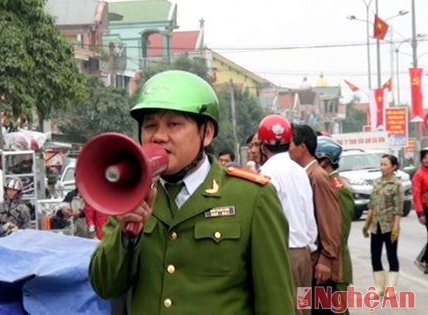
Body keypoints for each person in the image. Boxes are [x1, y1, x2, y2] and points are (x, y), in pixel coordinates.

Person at [89, 70, 294, 314]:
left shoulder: (252, 197)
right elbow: (105, 286)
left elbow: (276, 302)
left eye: (174, 125)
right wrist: (127, 236)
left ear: (206, 133)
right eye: (150, 125)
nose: (158, 136)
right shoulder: (131, 197)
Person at [258, 115, 317, 315]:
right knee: (304, 308)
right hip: (304, 254)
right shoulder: (300, 171)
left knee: (288, 309)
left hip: (283, 255)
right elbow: (309, 214)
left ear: (262, 145)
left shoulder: (266, 173)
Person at [289, 124, 342, 315]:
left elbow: (330, 220)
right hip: (310, 265)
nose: (287, 149)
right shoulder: (304, 174)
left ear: (302, 147)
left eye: (290, 144)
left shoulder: (318, 176)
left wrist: (327, 259)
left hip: (321, 268)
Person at [315, 136, 354, 312]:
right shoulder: (325, 184)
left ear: (324, 161)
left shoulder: (338, 189)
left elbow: (339, 231)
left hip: (337, 267)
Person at [362, 154, 403, 299]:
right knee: (375, 256)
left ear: (394, 167)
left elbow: (398, 209)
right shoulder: (376, 183)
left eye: (385, 164)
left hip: (389, 225)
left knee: (392, 256)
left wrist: (396, 227)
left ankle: (391, 288)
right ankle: (379, 287)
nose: (382, 167)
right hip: (376, 225)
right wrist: (367, 224)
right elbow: (372, 204)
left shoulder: (396, 185)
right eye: (381, 164)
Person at [412, 147, 428, 273]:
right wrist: (420, 213)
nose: (427, 161)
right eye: (425, 158)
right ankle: (422, 259)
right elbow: (416, 196)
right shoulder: (419, 175)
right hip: (425, 209)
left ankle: (426, 263)